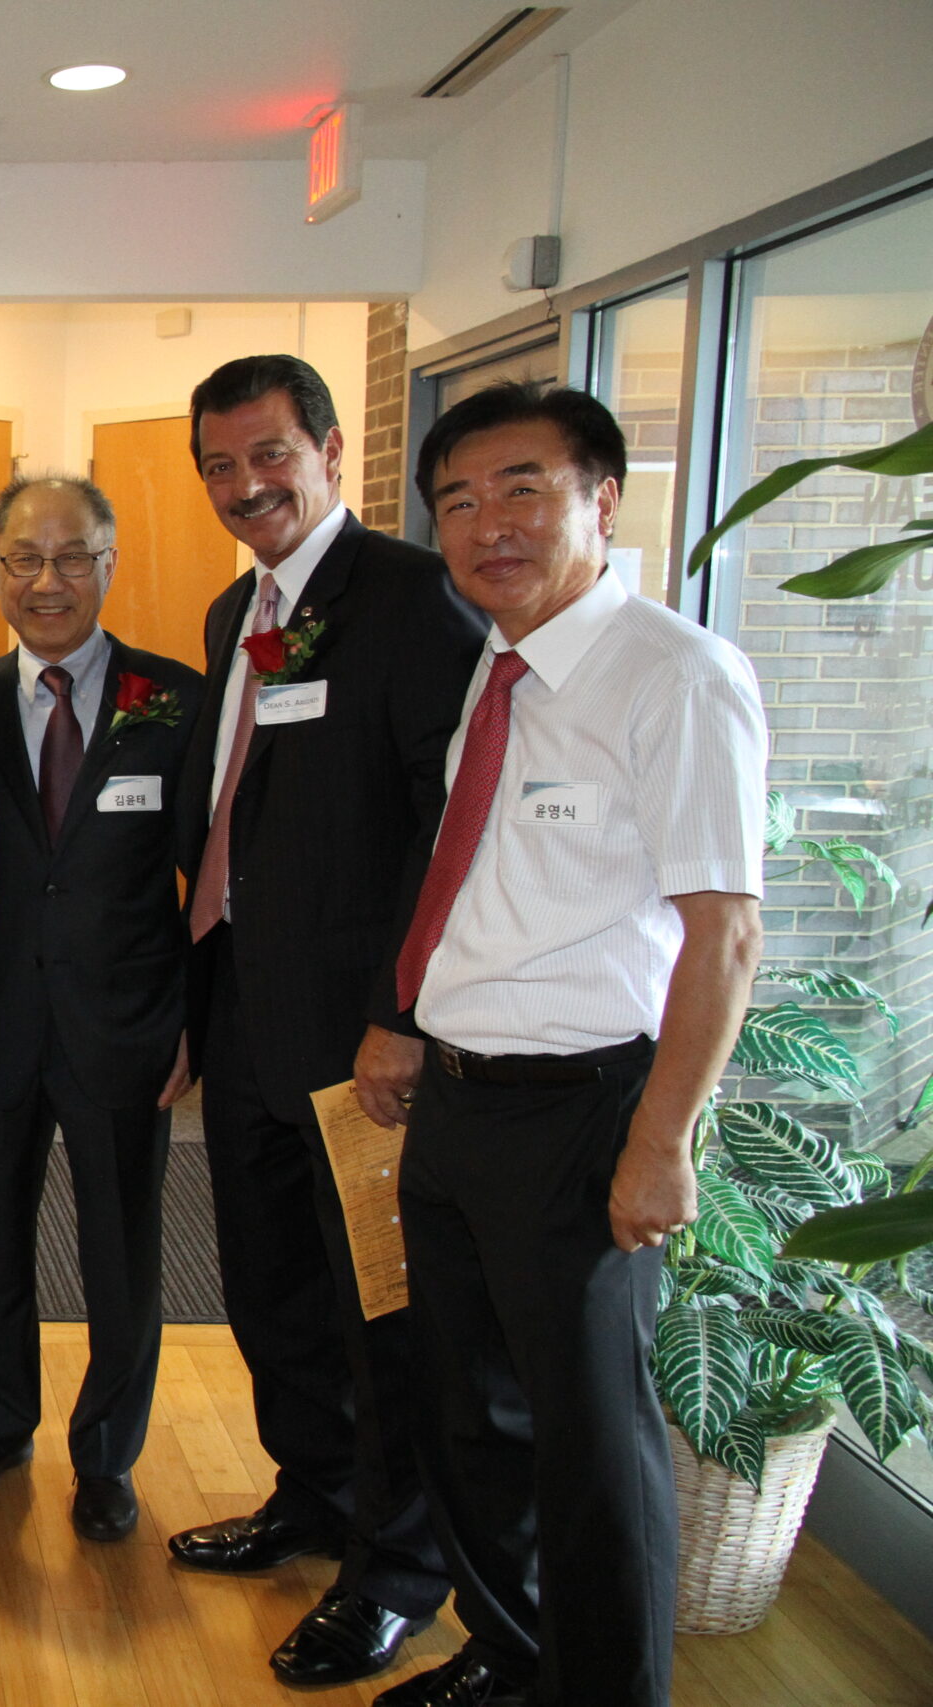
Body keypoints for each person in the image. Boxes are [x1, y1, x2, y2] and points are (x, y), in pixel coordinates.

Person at [374, 384, 766, 1707]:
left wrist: (662, 1144)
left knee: (593, 1444)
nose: (487, 523)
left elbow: (725, 937)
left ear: (602, 500)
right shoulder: (498, 669)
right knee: (468, 1411)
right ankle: (509, 1651)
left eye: (522, 489)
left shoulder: (674, 677)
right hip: (458, 1100)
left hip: (584, 1112)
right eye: (458, 501)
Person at [171, 355, 483, 1689]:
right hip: (245, 1006)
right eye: (220, 466)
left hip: (362, 1034)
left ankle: (395, 1570)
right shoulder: (232, 610)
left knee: (377, 1304)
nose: (246, 486)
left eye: (269, 456)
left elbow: (444, 823)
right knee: (269, 1278)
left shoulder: (412, 598)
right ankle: (310, 1491)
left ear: (332, 450)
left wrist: (398, 1014)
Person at [0, 475, 200, 1540]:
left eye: (72, 556)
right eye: (25, 559)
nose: (49, 582)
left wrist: (196, 1018)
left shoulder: (172, 700)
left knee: (121, 1251)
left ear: (108, 564)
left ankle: (107, 1455)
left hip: (124, 1028)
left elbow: (211, 880)